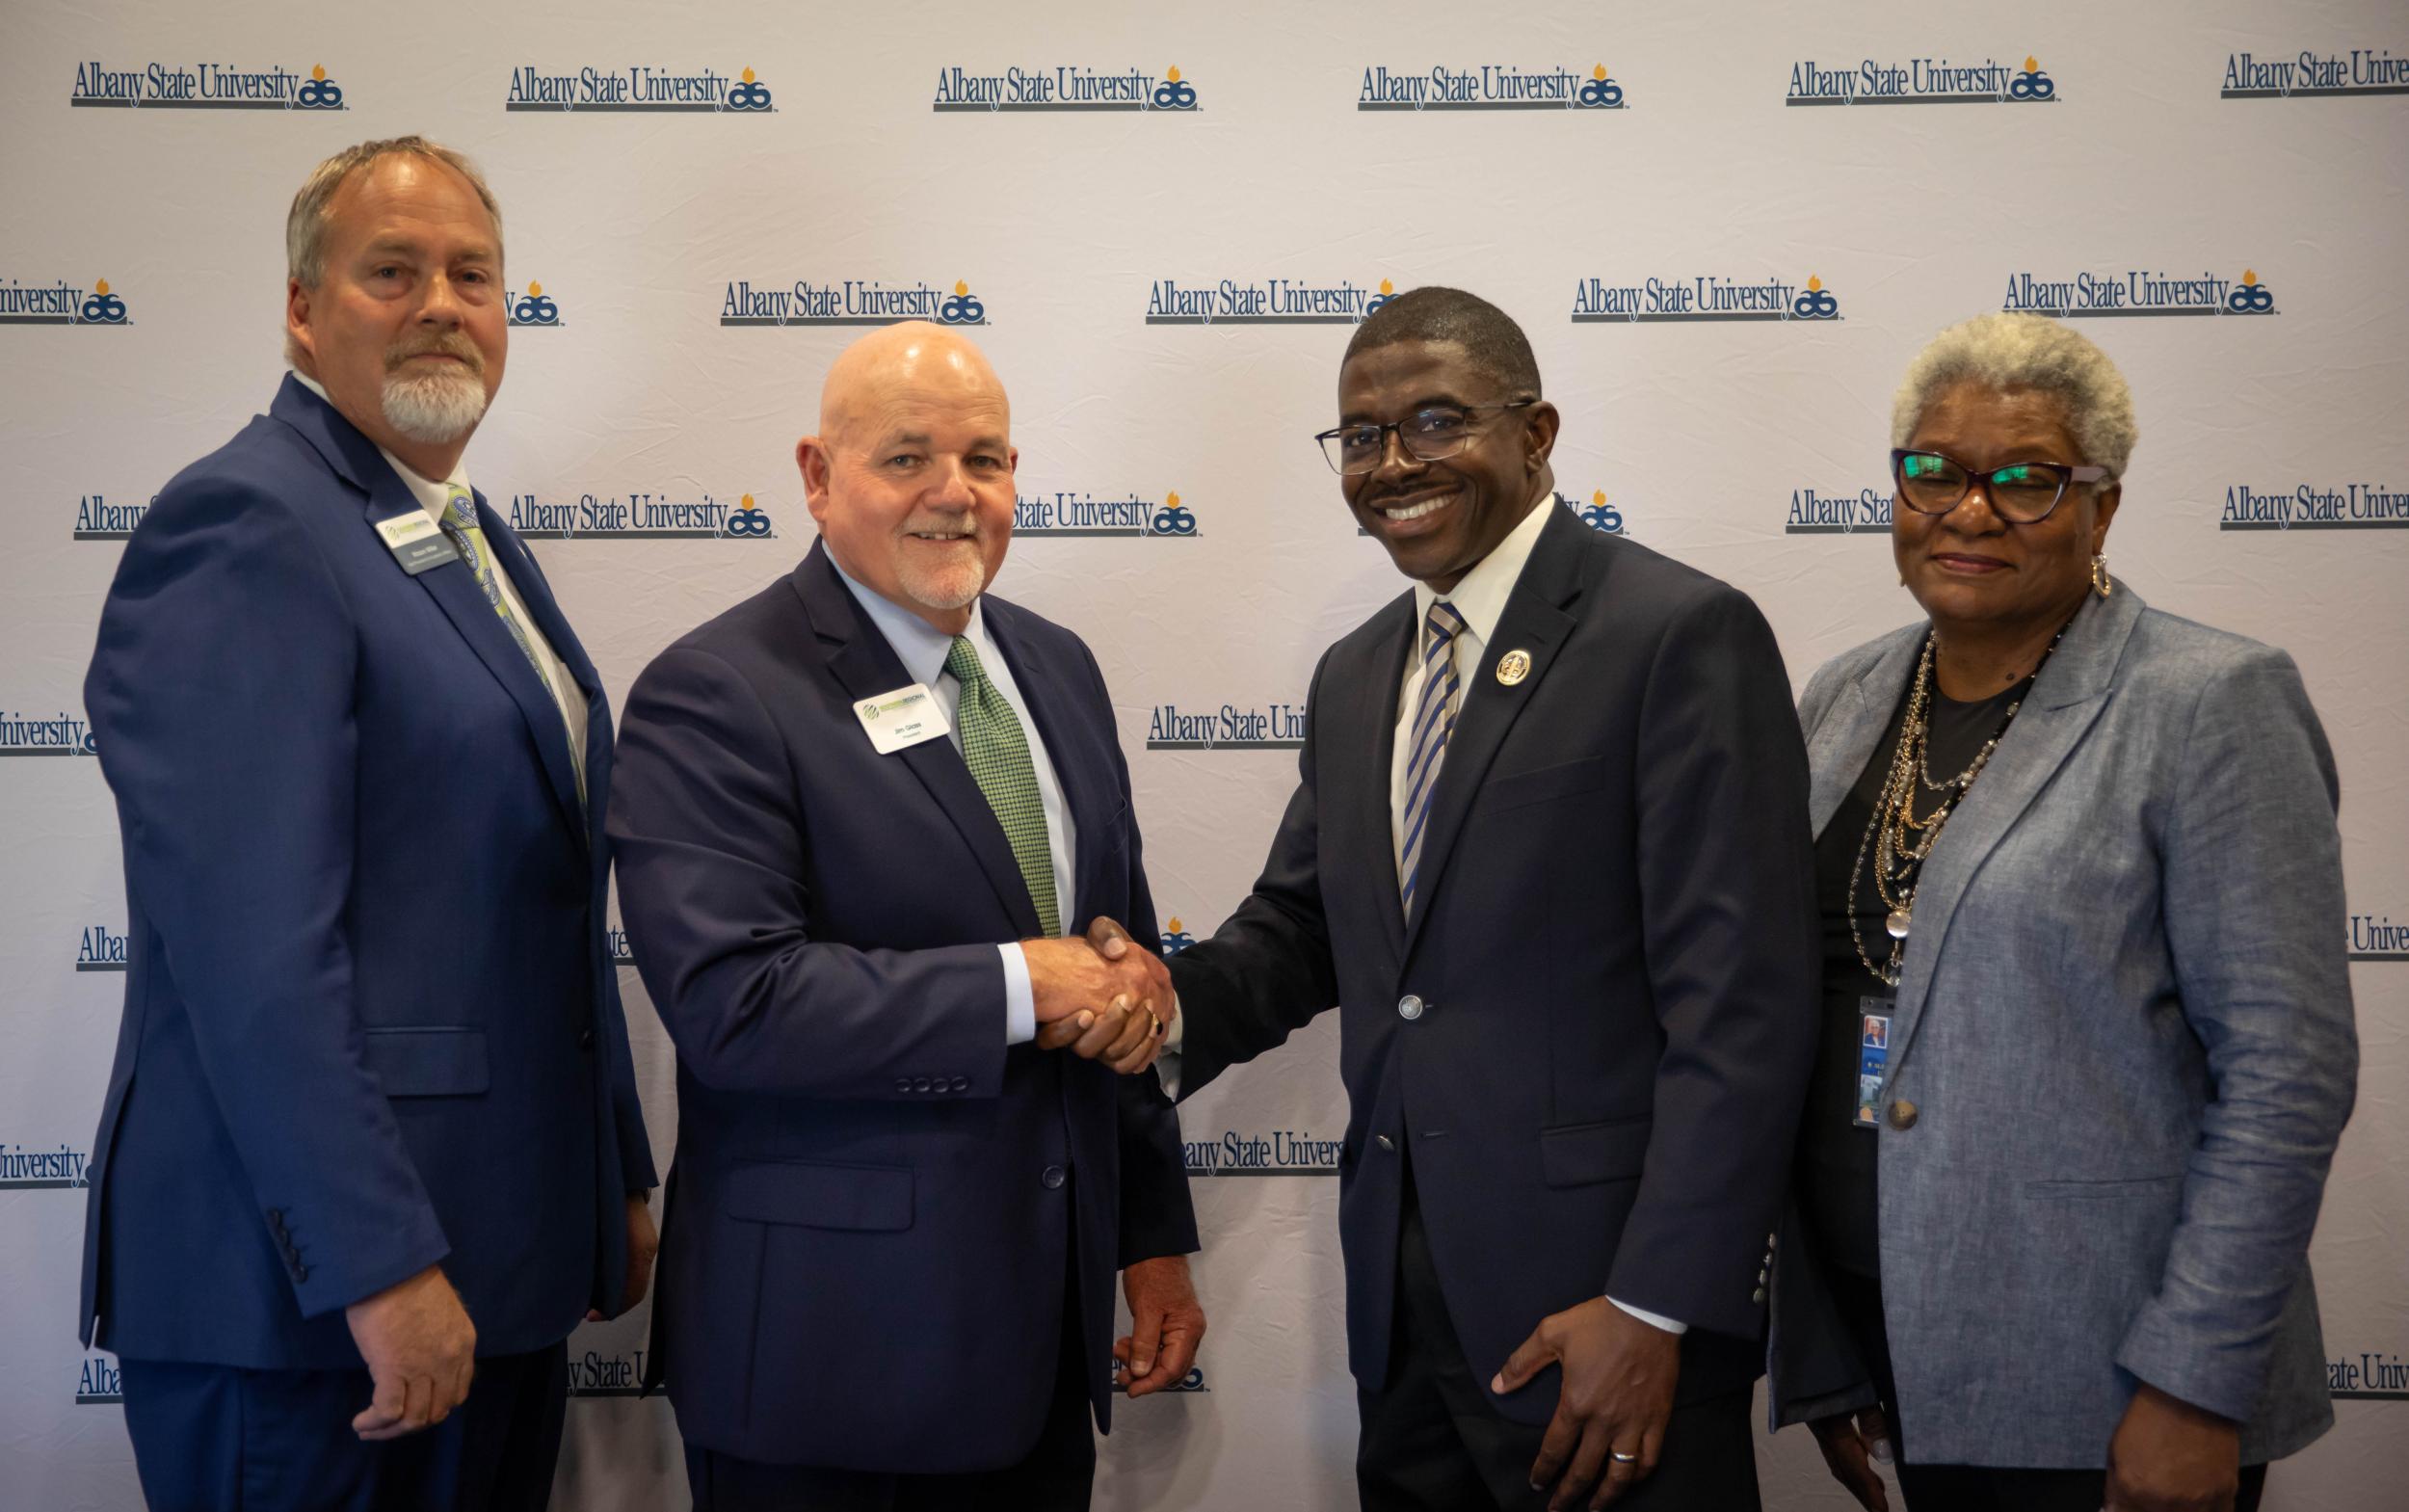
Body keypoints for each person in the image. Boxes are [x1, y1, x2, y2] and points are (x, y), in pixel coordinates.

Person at [1072, 286, 1818, 1510]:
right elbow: (1307, 929)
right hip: (1407, 1323)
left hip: (1610, 1325)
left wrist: (1654, 1300)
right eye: (1360, 436)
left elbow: (1744, 1013)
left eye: (1434, 421)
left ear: (1536, 432)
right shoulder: (1359, 671)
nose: (1392, 463)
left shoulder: (1677, 633)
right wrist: (1161, 1001)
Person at [79, 136, 658, 1509]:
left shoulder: (458, 528)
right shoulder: (249, 522)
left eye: (473, 273)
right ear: (302, 309)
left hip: (493, 1271)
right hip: (319, 1315)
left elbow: (545, 902)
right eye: (391, 271)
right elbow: (251, 955)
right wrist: (378, 1263)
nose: (442, 302)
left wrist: (611, 1174)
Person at [1767, 312, 2358, 1512]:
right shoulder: (1843, 694)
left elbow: (2287, 1071)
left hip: (2107, 1370)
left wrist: (2192, 1386)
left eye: (2026, 480)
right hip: (1887, 1346)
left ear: (2102, 507)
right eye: (1931, 470)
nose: (1968, 511)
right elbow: (1815, 1019)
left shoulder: (2205, 701)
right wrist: (1824, 1352)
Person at [608, 321, 1202, 1510]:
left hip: (1042, 1349)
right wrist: (1024, 985)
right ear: (817, 478)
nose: (955, 494)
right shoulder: (716, 690)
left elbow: (1114, 965)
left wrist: (1149, 1235)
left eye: (986, 459)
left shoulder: (1057, 666)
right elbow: (737, 1005)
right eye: (907, 459)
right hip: (834, 1366)